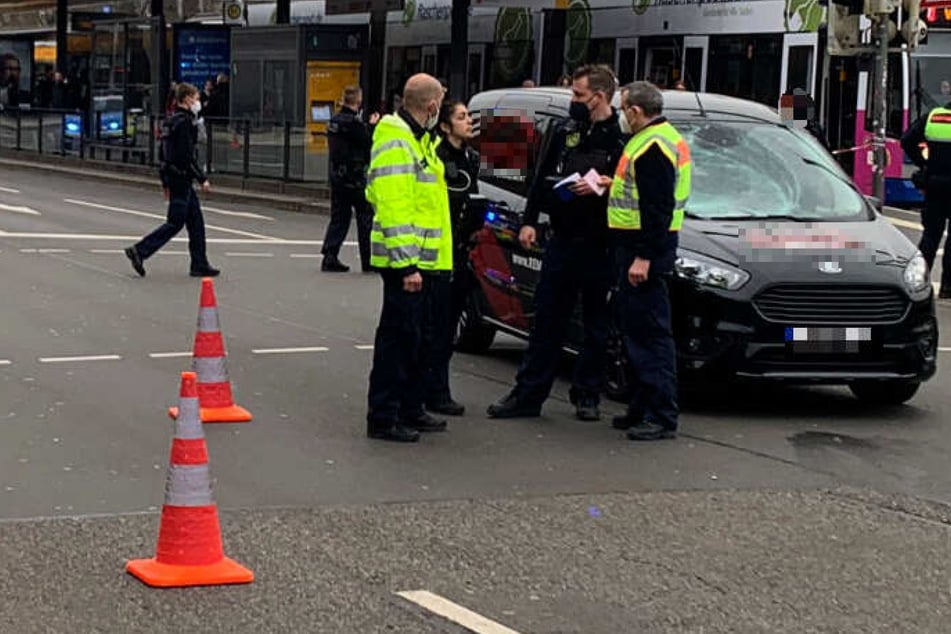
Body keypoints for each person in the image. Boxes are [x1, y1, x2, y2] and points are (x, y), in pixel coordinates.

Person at [487, 64, 626, 421]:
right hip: (563, 238)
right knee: (547, 320)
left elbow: (633, 185)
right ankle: (528, 394)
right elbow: (540, 176)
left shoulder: (621, 136)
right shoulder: (565, 129)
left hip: (601, 242)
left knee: (596, 325)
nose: (574, 101)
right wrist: (530, 220)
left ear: (600, 96)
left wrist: (607, 184)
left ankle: (588, 395)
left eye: (579, 95)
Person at [365, 73, 452, 443]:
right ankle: (385, 416)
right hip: (408, 264)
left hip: (425, 262)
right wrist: (406, 265)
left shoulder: (419, 140)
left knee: (418, 340)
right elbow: (394, 207)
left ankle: (411, 407)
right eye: (441, 102)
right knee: (399, 341)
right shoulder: (396, 141)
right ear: (431, 106)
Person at [608, 81, 689, 441]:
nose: (621, 116)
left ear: (636, 112)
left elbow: (657, 208)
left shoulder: (652, 146)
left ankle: (660, 414)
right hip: (643, 246)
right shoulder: (661, 138)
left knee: (650, 335)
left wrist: (643, 256)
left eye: (623, 109)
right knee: (636, 332)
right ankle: (642, 406)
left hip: (645, 250)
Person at [124, 83, 219, 278]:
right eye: (195, 98)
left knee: (196, 222)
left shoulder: (170, 121)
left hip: (174, 177)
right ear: (186, 99)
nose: (198, 102)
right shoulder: (184, 123)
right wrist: (202, 179)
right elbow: (186, 156)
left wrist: (164, 181)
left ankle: (199, 263)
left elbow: (163, 154)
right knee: (175, 223)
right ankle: (140, 250)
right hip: (181, 178)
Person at [424, 100, 480, 416]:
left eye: (468, 115)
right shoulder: (437, 157)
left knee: (448, 327)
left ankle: (437, 389)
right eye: (461, 117)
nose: (468, 121)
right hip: (441, 252)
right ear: (445, 126)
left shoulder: (470, 157)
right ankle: (433, 390)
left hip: (462, 250)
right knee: (437, 326)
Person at [321, 85, 379, 273]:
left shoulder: (334, 121)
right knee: (365, 217)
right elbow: (367, 142)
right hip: (355, 177)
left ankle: (330, 255)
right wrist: (370, 125)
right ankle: (367, 260)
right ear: (358, 100)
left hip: (337, 175)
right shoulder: (354, 124)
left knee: (339, 217)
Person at [902, 97, 951, 299]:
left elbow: (906, 141)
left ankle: (919, 281)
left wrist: (924, 164)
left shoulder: (935, 117)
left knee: (931, 236)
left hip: (934, 186)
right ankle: (947, 287)